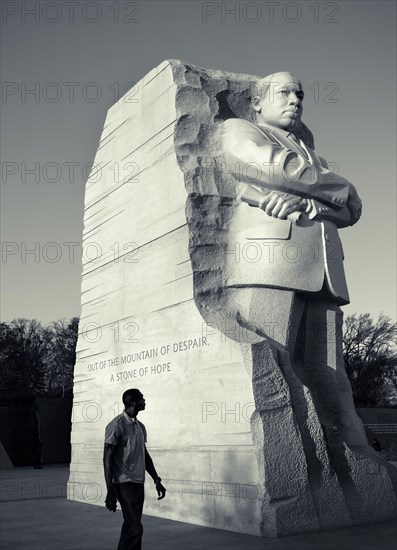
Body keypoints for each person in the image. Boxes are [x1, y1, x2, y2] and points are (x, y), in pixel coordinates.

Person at [216, 71, 372, 453]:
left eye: (299, 93)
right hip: (270, 262)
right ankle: (289, 460)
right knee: (272, 361)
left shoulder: (312, 157)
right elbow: (274, 167)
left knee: (330, 373)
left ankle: (352, 454)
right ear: (257, 102)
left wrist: (312, 202)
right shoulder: (239, 129)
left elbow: (353, 208)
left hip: (325, 271)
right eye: (283, 92)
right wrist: (339, 187)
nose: (295, 100)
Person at [103, 389, 166, 550]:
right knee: (135, 528)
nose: (144, 401)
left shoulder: (140, 427)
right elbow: (107, 458)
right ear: (133, 403)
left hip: (138, 482)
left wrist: (156, 479)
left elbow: (144, 455)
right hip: (123, 483)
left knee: (132, 526)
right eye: (142, 399)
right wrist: (110, 490)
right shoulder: (116, 425)